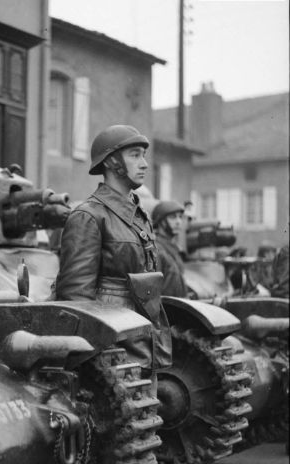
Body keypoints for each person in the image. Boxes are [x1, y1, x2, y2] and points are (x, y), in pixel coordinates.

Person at [55, 124, 172, 384]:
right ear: (111, 162)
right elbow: (75, 300)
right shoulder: (88, 216)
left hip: (142, 342)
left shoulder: (139, 216)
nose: (144, 164)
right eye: (134, 155)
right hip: (111, 351)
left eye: (144, 155)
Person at [152, 200, 189, 297]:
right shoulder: (157, 249)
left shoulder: (174, 249)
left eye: (180, 217)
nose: (178, 222)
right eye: (173, 217)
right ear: (161, 221)